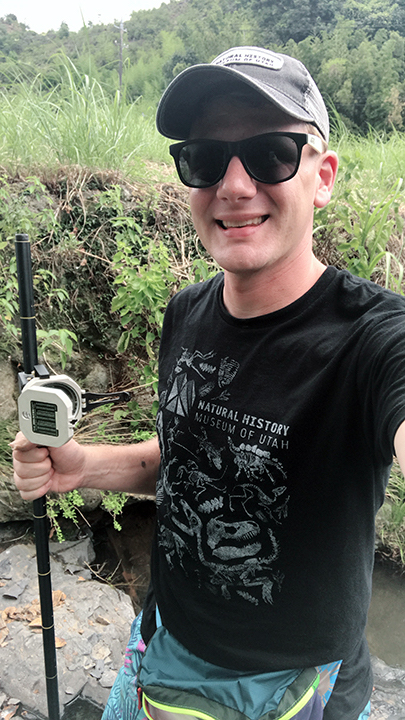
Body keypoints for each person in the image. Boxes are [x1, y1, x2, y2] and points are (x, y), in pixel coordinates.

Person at [12, 46, 405, 720]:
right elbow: (189, 461)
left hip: (290, 689)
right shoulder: (187, 311)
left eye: (271, 154)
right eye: (203, 158)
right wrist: (79, 466)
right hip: (160, 646)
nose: (234, 184)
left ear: (322, 176)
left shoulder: (373, 337)